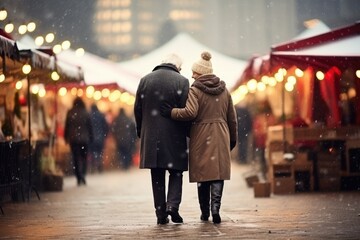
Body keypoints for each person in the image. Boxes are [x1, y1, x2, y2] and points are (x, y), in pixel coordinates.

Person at [161, 51, 238, 224]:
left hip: (202, 134)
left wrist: (171, 112)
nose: (192, 75)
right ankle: (215, 209)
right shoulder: (224, 90)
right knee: (218, 173)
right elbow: (232, 118)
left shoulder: (195, 90)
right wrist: (232, 139)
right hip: (221, 133)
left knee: (203, 174)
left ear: (200, 73)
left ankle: (205, 212)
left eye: (194, 73)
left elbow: (190, 112)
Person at [134, 53, 190, 225]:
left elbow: (137, 109)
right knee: (176, 172)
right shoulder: (182, 81)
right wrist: (188, 133)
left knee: (157, 174)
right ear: (177, 67)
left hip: (151, 136)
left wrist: (141, 131)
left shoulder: (145, 80)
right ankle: (172, 205)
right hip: (175, 135)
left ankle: (160, 213)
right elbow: (186, 110)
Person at [64, 97, 93, 186]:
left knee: (75, 158)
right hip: (84, 139)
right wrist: (91, 137)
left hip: (74, 139)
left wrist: (66, 137)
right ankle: (83, 174)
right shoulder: (86, 113)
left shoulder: (70, 112)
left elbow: (67, 126)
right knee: (84, 158)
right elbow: (90, 127)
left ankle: (78, 176)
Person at [89, 104, 109, 173]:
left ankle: (93, 166)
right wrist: (105, 135)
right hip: (100, 137)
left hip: (91, 138)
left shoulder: (89, 115)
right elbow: (106, 126)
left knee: (92, 152)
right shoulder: (101, 115)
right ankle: (99, 165)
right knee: (99, 152)